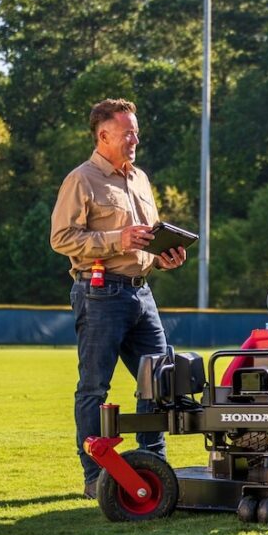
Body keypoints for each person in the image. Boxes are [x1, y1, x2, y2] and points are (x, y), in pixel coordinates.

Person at [50, 98, 187, 500]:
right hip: (100, 292)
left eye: (136, 131)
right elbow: (61, 238)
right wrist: (117, 239)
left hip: (141, 292)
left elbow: (147, 237)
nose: (135, 139)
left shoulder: (140, 178)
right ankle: (95, 475)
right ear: (103, 135)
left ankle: (153, 463)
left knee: (159, 382)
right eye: (128, 132)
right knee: (94, 387)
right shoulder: (82, 179)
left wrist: (165, 256)